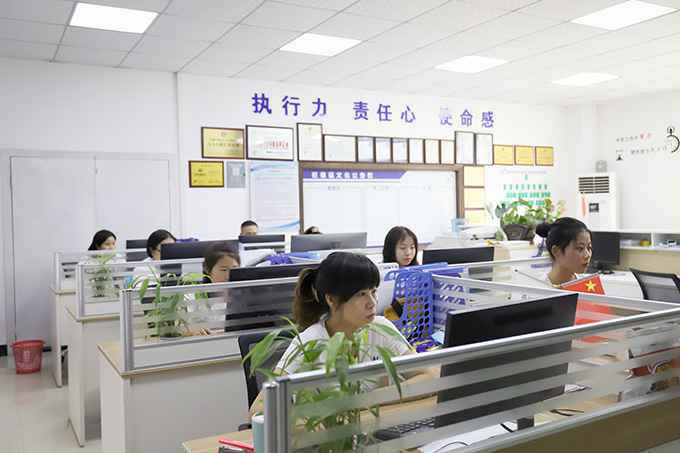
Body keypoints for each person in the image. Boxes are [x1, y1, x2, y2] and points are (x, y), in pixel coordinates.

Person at [250, 252, 433, 414]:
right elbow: (259, 408)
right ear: (331, 299)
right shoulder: (310, 341)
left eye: (373, 291)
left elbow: (428, 377)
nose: (372, 302)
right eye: (361, 294)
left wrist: (363, 401)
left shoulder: (380, 327)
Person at [535, 217, 592, 286]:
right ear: (556, 251)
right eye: (580, 248)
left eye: (589, 248)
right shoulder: (538, 288)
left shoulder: (590, 285)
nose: (587, 255)